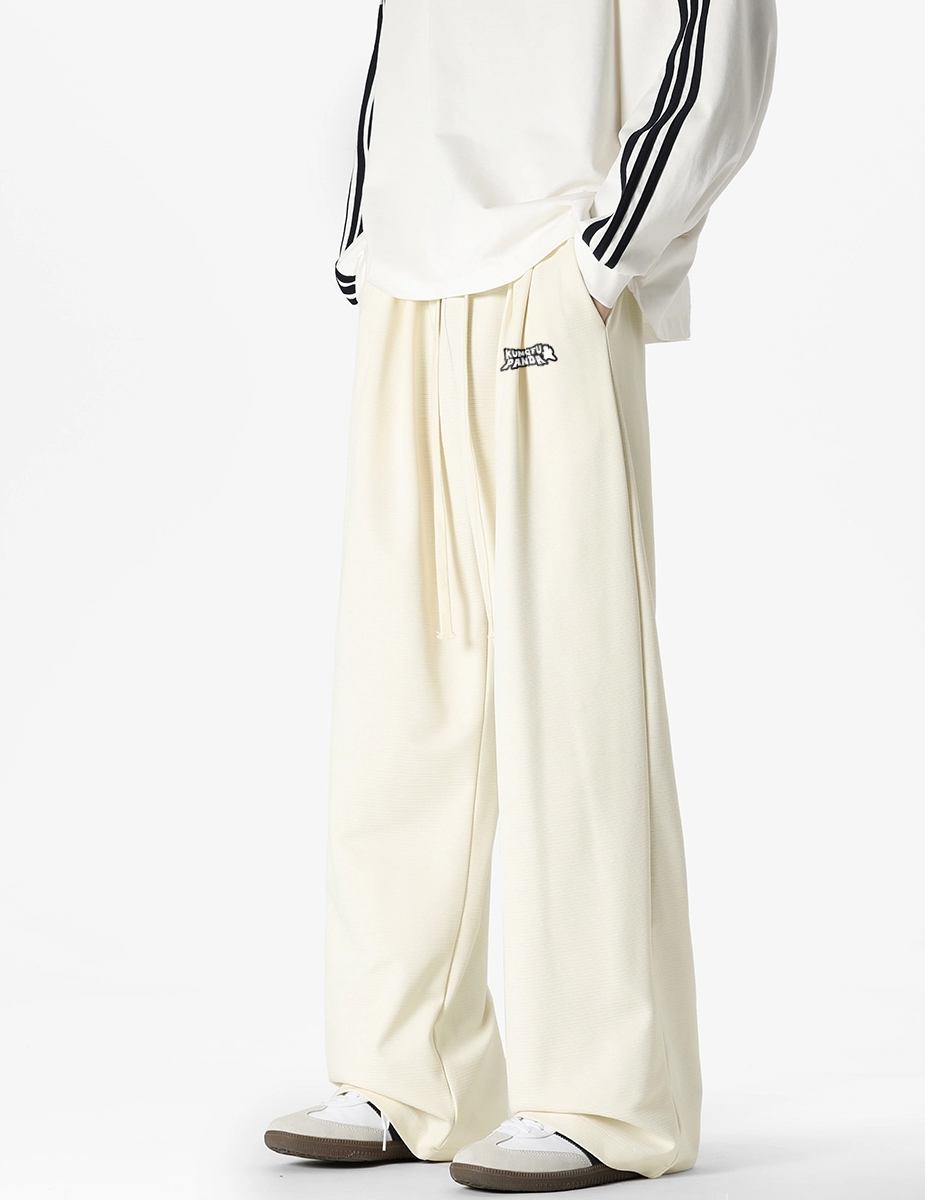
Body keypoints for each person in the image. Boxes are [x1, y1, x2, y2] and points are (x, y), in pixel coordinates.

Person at [264, 0, 776, 1191]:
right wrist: (366, 237)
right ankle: (406, 1074)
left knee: (574, 690)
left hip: (552, 257)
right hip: (409, 269)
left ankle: (610, 1099)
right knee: (401, 693)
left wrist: (610, 252)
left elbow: (719, 45)